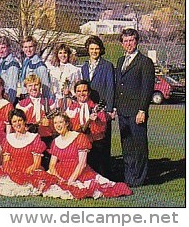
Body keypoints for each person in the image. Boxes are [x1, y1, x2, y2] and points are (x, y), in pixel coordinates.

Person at [44, 112, 131, 199]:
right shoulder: (56, 141)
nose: (58, 125)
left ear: (66, 123)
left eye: (60, 122)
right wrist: (59, 179)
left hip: (79, 172)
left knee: (87, 189)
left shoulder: (79, 137)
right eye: (55, 123)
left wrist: (70, 181)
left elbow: (82, 164)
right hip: (61, 172)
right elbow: (52, 165)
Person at [114, 28, 155, 187]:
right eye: (125, 41)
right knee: (127, 146)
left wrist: (142, 110)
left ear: (136, 41)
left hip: (137, 111)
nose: (128, 44)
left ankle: (139, 178)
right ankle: (129, 176)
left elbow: (147, 88)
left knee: (139, 145)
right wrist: (116, 107)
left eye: (131, 40)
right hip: (123, 111)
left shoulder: (145, 62)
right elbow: (119, 85)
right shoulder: (120, 61)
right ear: (121, 43)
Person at [80, 35, 115, 177]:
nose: (94, 51)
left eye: (96, 49)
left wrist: (109, 110)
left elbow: (110, 88)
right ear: (88, 50)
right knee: (89, 142)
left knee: (102, 142)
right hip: (87, 108)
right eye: (91, 49)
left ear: (100, 50)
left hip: (101, 108)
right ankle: (90, 173)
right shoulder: (83, 67)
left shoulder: (107, 66)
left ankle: (104, 174)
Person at [0, 109, 50, 195]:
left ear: (24, 121)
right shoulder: (9, 139)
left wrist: (24, 174)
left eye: (20, 120)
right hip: (13, 171)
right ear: (11, 124)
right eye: (14, 121)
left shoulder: (34, 138)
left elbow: (36, 163)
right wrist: (12, 173)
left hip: (30, 171)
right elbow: (6, 161)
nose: (17, 123)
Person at [65, 80, 108, 177]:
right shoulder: (71, 108)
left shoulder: (96, 107)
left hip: (95, 144)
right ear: (75, 93)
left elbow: (102, 128)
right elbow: (68, 127)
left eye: (84, 91)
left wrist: (96, 120)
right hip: (78, 144)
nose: (81, 93)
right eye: (78, 91)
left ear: (89, 92)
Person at [16, 74, 56, 151]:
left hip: (46, 137)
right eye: (30, 86)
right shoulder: (21, 105)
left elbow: (56, 123)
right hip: (28, 138)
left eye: (36, 85)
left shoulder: (49, 103)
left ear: (40, 86)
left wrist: (50, 122)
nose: (33, 88)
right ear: (26, 88)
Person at [47, 43, 82, 110]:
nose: (63, 55)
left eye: (65, 53)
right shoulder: (52, 71)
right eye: (60, 53)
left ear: (68, 54)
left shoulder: (74, 70)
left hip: (70, 101)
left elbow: (78, 88)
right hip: (55, 102)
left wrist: (70, 92)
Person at [0, 36, 20, 103]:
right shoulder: (1, 63)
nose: (1, 51)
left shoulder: (13, 64)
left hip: (7, 100)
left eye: (3, 47)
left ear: (9, 48)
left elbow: (12, 87)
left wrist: (9, 104)